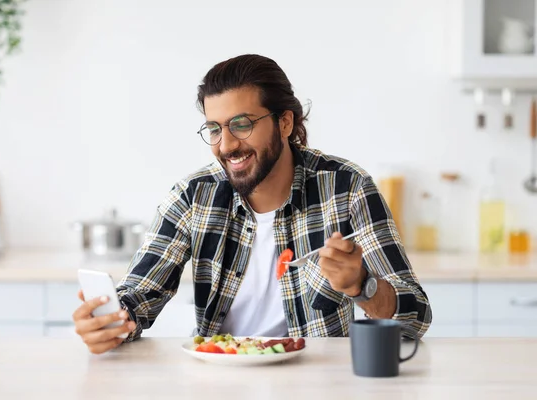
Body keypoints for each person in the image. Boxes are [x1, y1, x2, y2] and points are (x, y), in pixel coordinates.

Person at [72, 54, 432, 354]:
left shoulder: (347, 188)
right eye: (214, 129)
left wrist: (361, 286)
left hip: (320, 382)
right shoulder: (192, 197)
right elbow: (140, 294)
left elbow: (415, 318)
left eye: (241, 124)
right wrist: (110, 321)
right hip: (221, 377)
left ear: (285, 122)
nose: (226, 145)